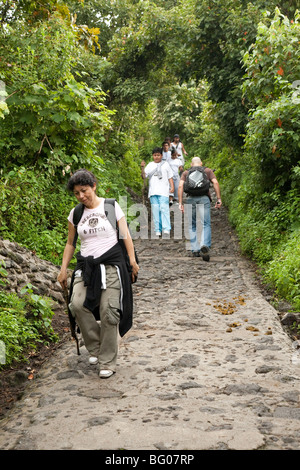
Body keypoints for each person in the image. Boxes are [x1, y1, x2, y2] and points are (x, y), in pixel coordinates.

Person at [57, 169, 139, 379]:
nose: (81, 196)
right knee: (77, 303)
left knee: (109, 311)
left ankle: (107, 361)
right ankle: (95, 346)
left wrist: (132, 260)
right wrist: (63, 268)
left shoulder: (110, 206)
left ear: (94, 186)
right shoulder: (76, 213)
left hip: (112, 265)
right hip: (86, 267)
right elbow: (70, 243)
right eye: (76, 193)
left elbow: (125, 234)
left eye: (84, 191)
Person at [178, 157, 222, 261]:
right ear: (201, 163)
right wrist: (219, 198)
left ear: (191, 164)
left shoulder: (186, 172)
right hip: (204, 198)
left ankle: (195, 249)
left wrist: (180, 203)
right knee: (205, 224)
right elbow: (215, 183)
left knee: (192, 225)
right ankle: (204, 245)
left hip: (190, 199)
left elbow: (180, 186)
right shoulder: (207, 171)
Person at [141, 147, 174, 236]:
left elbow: (170, 177)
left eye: (158, 155)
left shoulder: (166, 164)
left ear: (161, 155)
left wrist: (172, 187)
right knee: (155, 211)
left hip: (164, 191)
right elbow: (144, 176)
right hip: (153, 192)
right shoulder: (150, 165)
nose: (156, 157)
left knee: (164, 210)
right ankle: (157, 229)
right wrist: (142, 168)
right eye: (155, 155)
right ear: (153, 156)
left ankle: (166, 228)